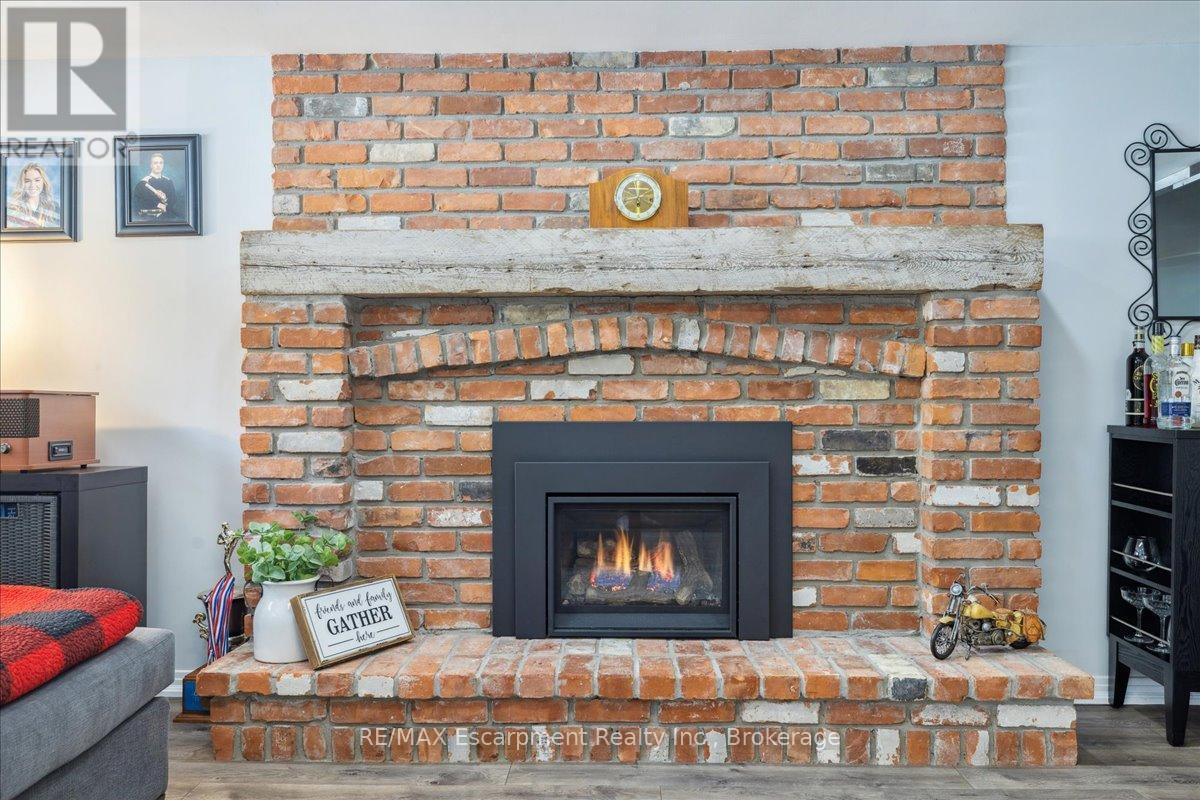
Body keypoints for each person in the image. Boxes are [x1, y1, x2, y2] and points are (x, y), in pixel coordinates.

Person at [5, 162, 60, 229]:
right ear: (22, 184)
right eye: (27, 181)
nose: (32, 185)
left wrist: (39, 227)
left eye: (37, 180)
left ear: (44, 182)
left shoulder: (54, 207)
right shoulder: (14, 208)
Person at [131, 152, 179, 220]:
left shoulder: (169, 182)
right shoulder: (143, 183)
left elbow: (173, 200)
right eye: (155, 163)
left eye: (160, 163)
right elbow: (138, 203)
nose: (158, 165)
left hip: (167, 216)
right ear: (151, 165)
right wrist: (157, 204)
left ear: (163, 165)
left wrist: (164, 200)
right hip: (149, 218)